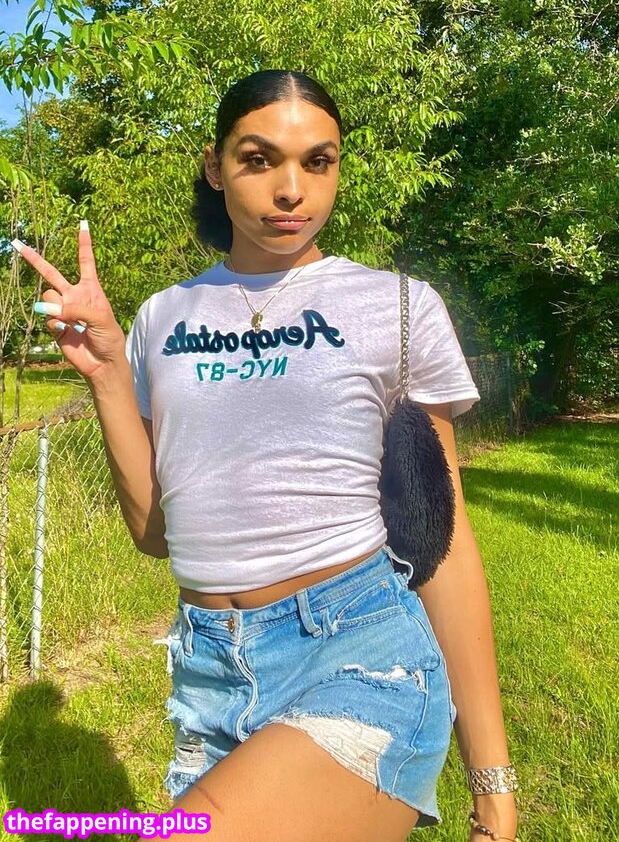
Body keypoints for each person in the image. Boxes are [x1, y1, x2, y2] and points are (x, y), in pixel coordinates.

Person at [13, 70, 519, 842]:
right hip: (211, 674)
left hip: (359, 654)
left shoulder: (396, 307)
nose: (291, 189)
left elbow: (440, 541)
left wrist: (492, 784)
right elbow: (156, 534)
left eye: (318, 161)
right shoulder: (161, 318)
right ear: (214, 167)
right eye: (258, 159)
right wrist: (110, 373)